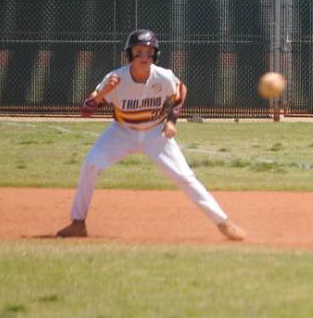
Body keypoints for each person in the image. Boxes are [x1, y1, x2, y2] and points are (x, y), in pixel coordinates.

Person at [55, 29, 247, 241]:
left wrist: (172, 121)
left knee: (185, 177)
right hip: (122, 131)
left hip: (155, 133)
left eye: (149, 52)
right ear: (129, 54)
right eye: (138, 51)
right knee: (91, 165)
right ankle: (78, 223)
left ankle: (223, 223)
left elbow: (181, 91)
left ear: (155, 55)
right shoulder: (115, 78)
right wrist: (102, 93)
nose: (144, 57)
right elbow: (85, 111)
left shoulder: (162, 76)